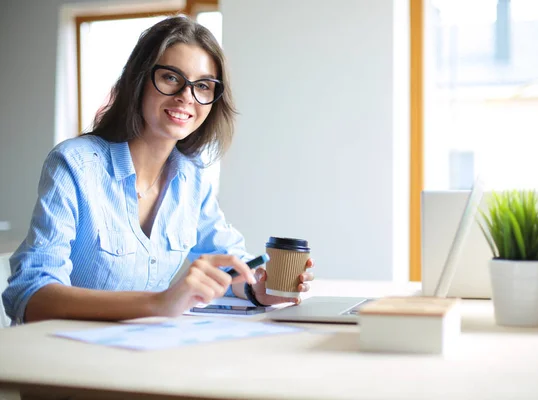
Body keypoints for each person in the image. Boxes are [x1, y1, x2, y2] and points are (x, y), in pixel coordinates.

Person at [1, 15, 314, 324]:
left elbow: (230, 264)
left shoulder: (190, 177)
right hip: (63, 357)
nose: (186, 96)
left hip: (141, 353)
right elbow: (30, 295)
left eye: (203, 86)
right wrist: (160, 302)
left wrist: (258, 287)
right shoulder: (75, 164)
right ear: (139, 80)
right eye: (170, 78)